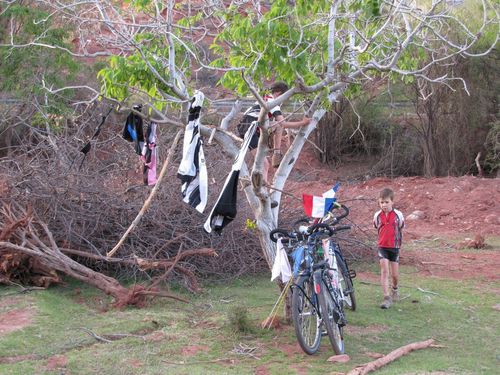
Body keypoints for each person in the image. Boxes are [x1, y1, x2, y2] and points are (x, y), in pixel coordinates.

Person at [237, 81, 311, 183]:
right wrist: (303, 122)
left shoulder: (266, 98)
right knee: (264, 164)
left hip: (253, 126)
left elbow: (278, 124)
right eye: (284, 97)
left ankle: (276, 153)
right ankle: (262, 186)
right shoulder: (272, 101)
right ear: (279, 93)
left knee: (277, 124)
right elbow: (284, 123)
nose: (284, 100)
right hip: (249, 128)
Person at [373, 188, 405, 309]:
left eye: (386, 202)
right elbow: (376, 227)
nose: (384, 205)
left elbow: (401, 227)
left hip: (395, 247)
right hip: (382, 247)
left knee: (395, 275)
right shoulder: (377, 215)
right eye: (381, 202)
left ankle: (395, 289)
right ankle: (386, 297)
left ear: (392, 202)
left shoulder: (398, 215)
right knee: (384, 271)